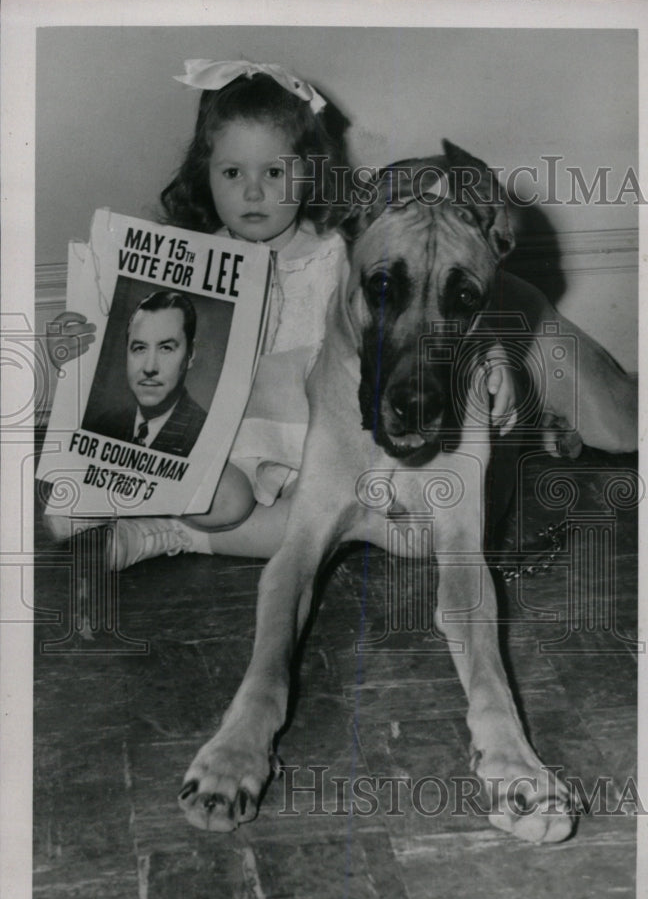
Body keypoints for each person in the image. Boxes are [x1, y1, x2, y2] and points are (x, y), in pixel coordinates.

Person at [46, 59, 518, 564]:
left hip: (302, 442)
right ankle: (163, 514)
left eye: (274, 172)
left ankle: (165, 536)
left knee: (303, 519)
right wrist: (77, 347)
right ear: (203, 175)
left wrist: (492, 359)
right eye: (232, 172)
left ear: (309, 173)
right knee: (207, 500)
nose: (253, 191)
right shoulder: (182, 260)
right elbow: (137, 350)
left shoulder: (335, 256)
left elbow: (430, 319)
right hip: (219, 437)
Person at [84, 290, 207, 458]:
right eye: (140, 348)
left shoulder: (205, 436)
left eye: (166, 348)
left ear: (190, 355)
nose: (149, 367)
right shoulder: (103, 425)